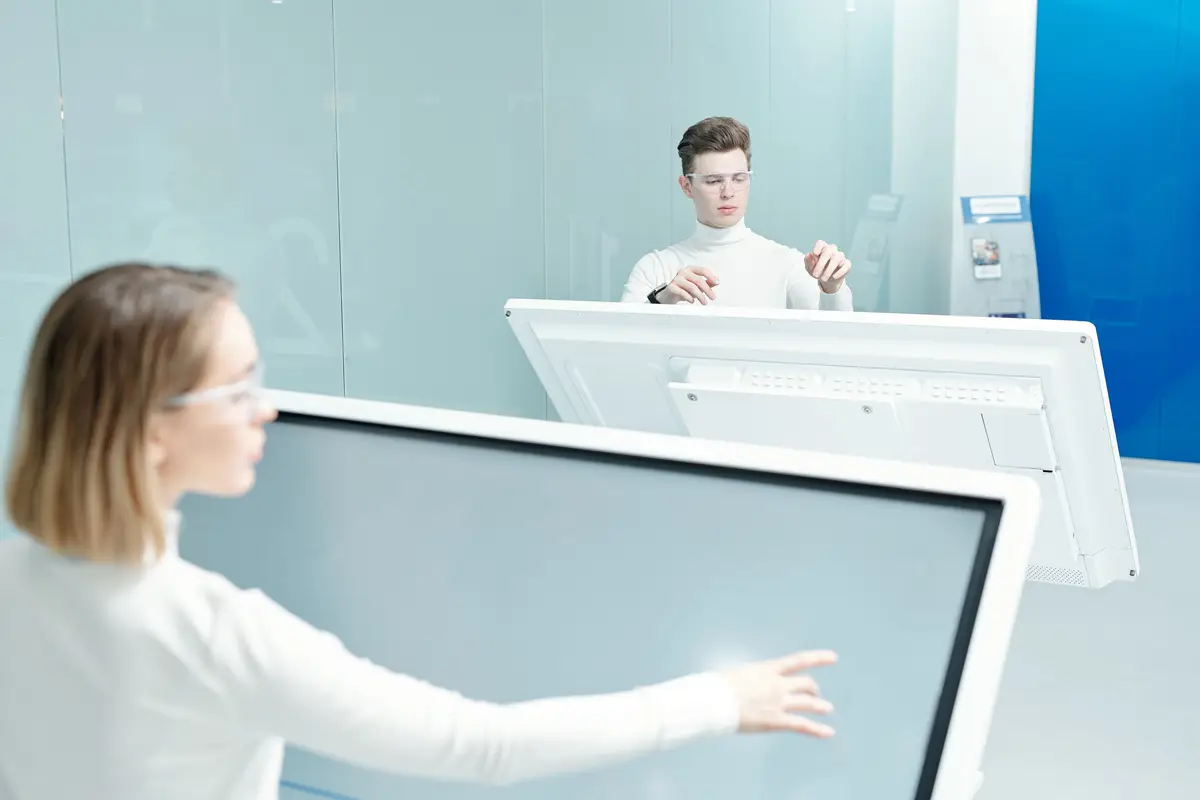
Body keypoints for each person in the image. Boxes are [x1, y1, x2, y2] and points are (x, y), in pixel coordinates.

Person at [0, 262, 838, 799]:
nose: (266, 408)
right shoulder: (217, 635)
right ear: (152, 430)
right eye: (237, 389)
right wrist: (718, 700)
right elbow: (484, 747)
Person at [621, 116, 854, 310]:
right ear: (686, 186)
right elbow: (621, 342)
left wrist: (833, 288)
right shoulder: (654, 269)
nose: (728, 192)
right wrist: (660, 301)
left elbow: (834, 339)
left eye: (739, 178)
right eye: (714, 181)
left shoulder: (788, 265)